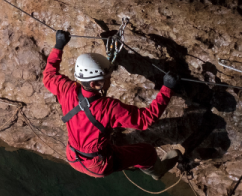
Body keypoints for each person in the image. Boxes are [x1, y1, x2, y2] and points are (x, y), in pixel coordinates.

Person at [43, 30, 181, 179]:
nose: (110, 79)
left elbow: (49, 76)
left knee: (113, 144)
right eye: (108, 77)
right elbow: (145, 119)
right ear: (96, 84)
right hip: (98, 165)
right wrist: (167, 89)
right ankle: (158, 172)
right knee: (147, 152)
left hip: (73, 156)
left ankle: (123, 160)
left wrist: (59, 45)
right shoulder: (109, 108)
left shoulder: (67, 90)